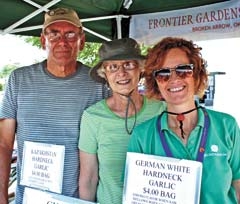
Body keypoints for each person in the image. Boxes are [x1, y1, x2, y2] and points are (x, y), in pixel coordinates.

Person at [0, 8, 108, 204]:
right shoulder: (19, 80)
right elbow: (4, 144)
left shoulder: (99, 83)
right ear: (43, 40)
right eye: (54, 34)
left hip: (78, 199)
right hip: (29, 199)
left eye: (70, 34)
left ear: (82, 41)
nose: (62, 41)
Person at [127, 37, 240, 203]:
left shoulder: (226, 125)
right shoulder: (142, 136)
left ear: (196, 74)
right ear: (155, 82)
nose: (174, 79)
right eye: (163, 73)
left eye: (183, 70)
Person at [78, 38, 165, 204]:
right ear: (104, 74)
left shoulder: (161, 110)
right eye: (113, 67)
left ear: (140, 69)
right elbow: (88, 178)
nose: (122, 73)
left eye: (128, 65)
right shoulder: (92, 117)